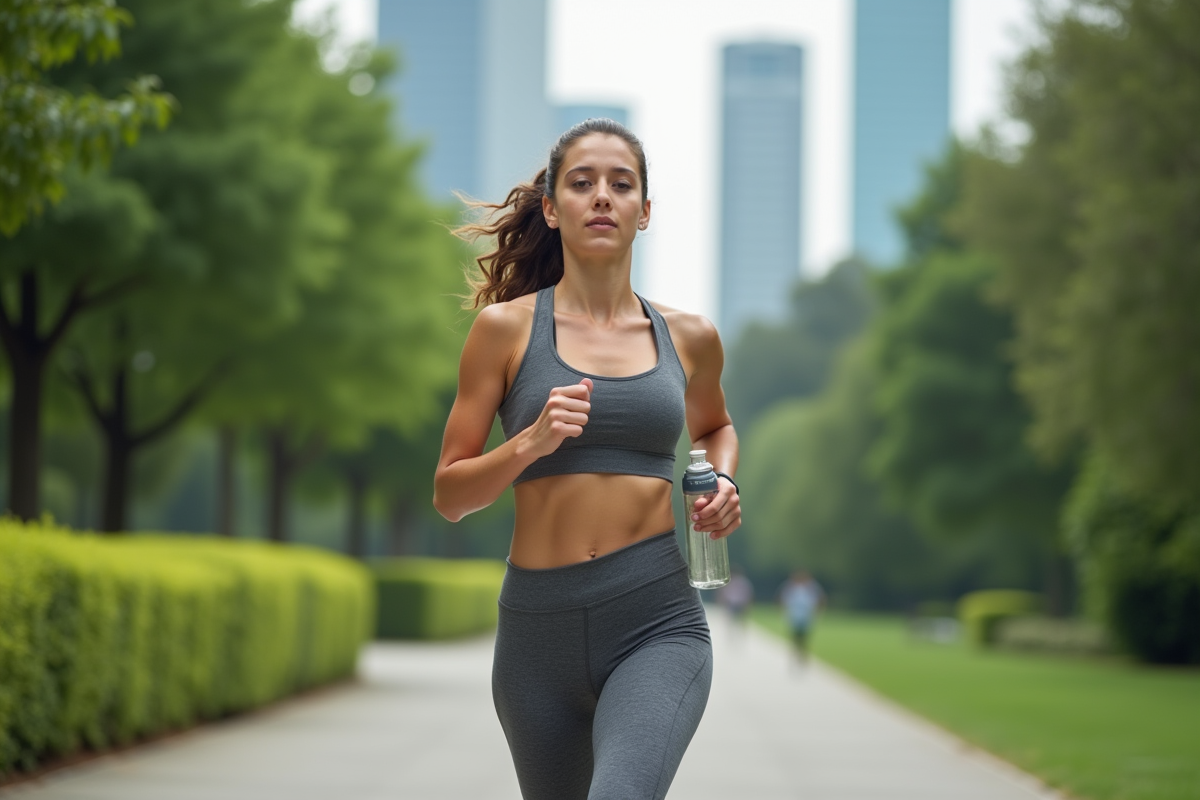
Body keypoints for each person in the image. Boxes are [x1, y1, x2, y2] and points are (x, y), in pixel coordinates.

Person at [433, 118, 741, 800]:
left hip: (656, 622)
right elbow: (450, 495)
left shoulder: (690, 336)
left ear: (644, 211)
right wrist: (528, 443)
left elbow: (717, 426)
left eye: (620, 184)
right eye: (581, 182)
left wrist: (721, 478)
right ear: (551, 208)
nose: (602, 195)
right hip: (535, 635)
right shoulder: (504, 331)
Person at [779, 570, 824, 667]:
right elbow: (783, 599)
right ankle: (796, 654)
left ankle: (803, 656)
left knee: (804, 638)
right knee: (795, 638)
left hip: (806, 617)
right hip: (794, 616)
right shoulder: (790, 587)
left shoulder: (812, 587)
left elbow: (819, 599)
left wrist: (817, 613)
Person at [719, 566, 755, 635]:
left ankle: (741, 633)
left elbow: (748, 593)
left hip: (740, 603)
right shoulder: (730, 582)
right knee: (731, 620)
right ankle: (732, 633)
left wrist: (748, 604)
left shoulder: (743, 582)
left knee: (741, 620)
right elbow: (724, 593)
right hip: (732, 603)